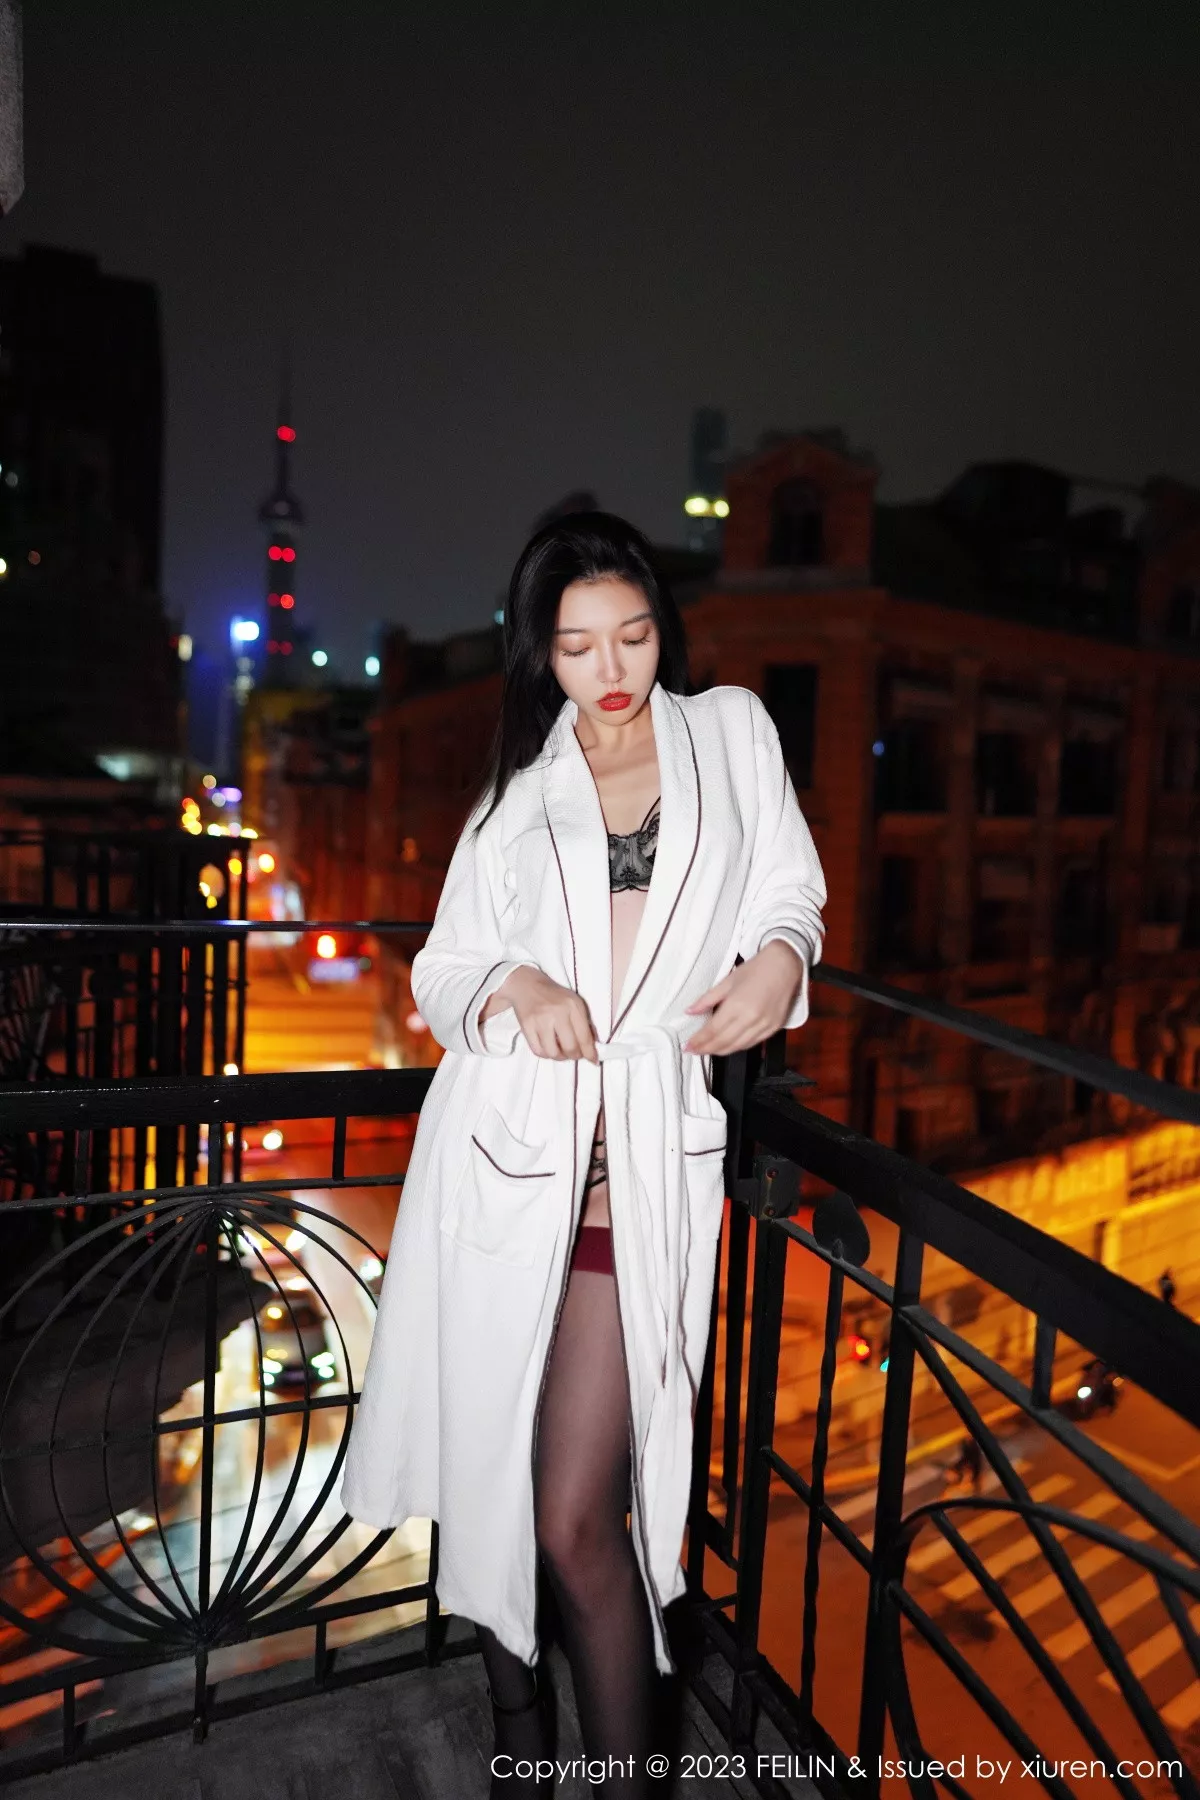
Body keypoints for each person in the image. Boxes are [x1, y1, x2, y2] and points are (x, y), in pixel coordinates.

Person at [340, 512, 827, 1796]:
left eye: (633, 635)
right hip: (500, 1166)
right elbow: (442, 972)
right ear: (539, 654)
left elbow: (790, 886)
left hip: (639, 1178)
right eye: (576, 647)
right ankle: (521, 1743)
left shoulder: (730, 733)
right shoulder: (518, 795)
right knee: (490, 1477)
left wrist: (782, 959)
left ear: (664, 630)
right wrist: (517, 981)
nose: (610, 669)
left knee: (572, 1517)